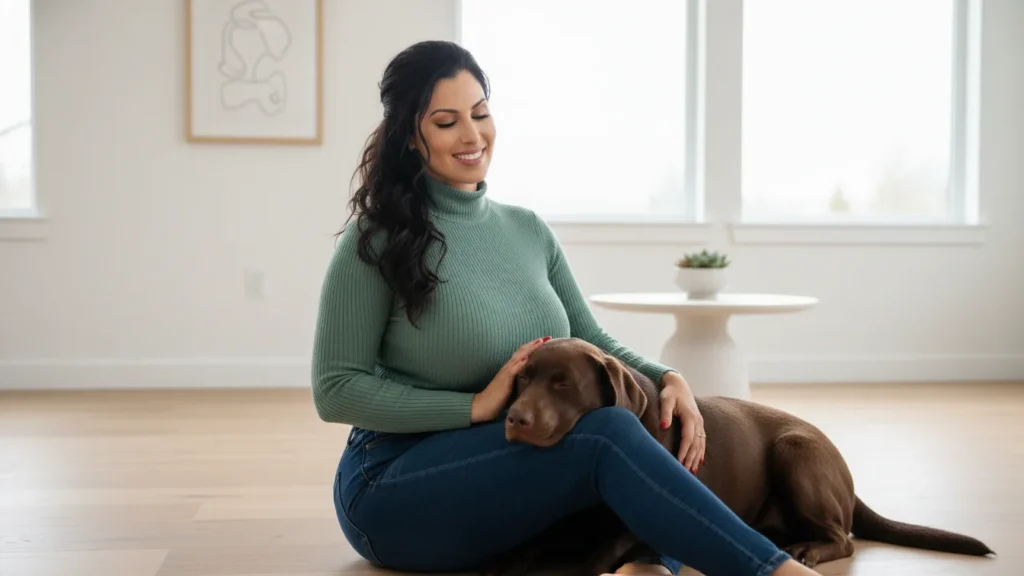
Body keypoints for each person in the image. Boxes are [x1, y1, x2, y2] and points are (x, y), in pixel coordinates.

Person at [311, 40, 821, 576]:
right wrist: (474, 408)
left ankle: (648, 563)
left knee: (624, 422)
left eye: (480, 113)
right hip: (393, 486)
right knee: (607, 433)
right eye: (446, 121)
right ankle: (774, 571)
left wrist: (667, 376)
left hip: (504, 464)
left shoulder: (526, 229)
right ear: (409, 136)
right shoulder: (375, 240)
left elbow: (588, 337)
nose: (472, 135)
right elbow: (335, 388)